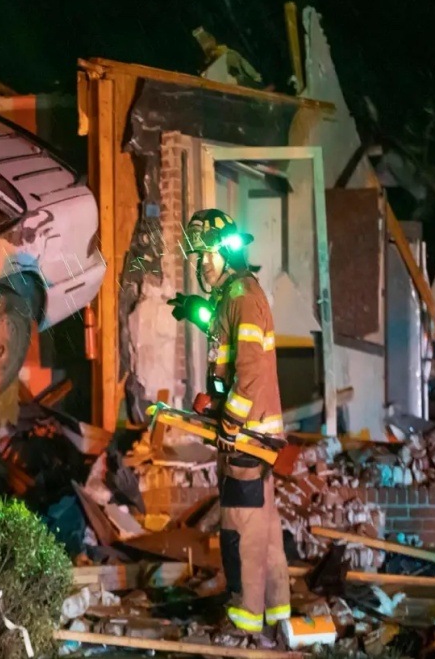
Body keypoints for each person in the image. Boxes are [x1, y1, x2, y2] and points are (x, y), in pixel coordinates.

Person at [181, 208, 290, 634]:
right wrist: (196, 310)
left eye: (209, 254)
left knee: (240, 529)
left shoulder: (242, 296)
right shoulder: (234, 294)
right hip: (255, 432)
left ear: (228, 253)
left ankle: (245, 623)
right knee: (265, 526)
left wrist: (229, 423)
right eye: (198, 256)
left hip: (246, 437)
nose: (202, 263)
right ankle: (278, 615)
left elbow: (250, 370)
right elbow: (224, 336)